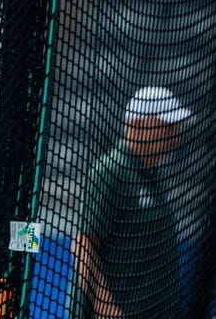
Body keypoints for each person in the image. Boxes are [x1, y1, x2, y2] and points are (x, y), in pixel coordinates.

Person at [70, 86, 192, 317]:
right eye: (168, 127)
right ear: (139, 124)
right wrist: (106, 306)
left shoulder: (151, 178)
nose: (176, 138)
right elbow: (83, 245)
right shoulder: (112, 170)